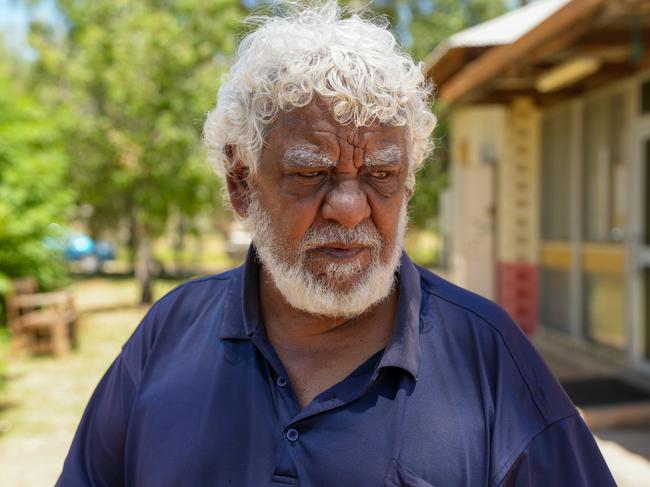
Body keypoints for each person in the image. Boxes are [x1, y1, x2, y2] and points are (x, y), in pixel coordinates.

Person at [57, 2, 615, 486]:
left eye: (380, 174)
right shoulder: (169, 333)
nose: (350, 207)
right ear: (240, 182)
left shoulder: (489, 358)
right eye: (310, 173)